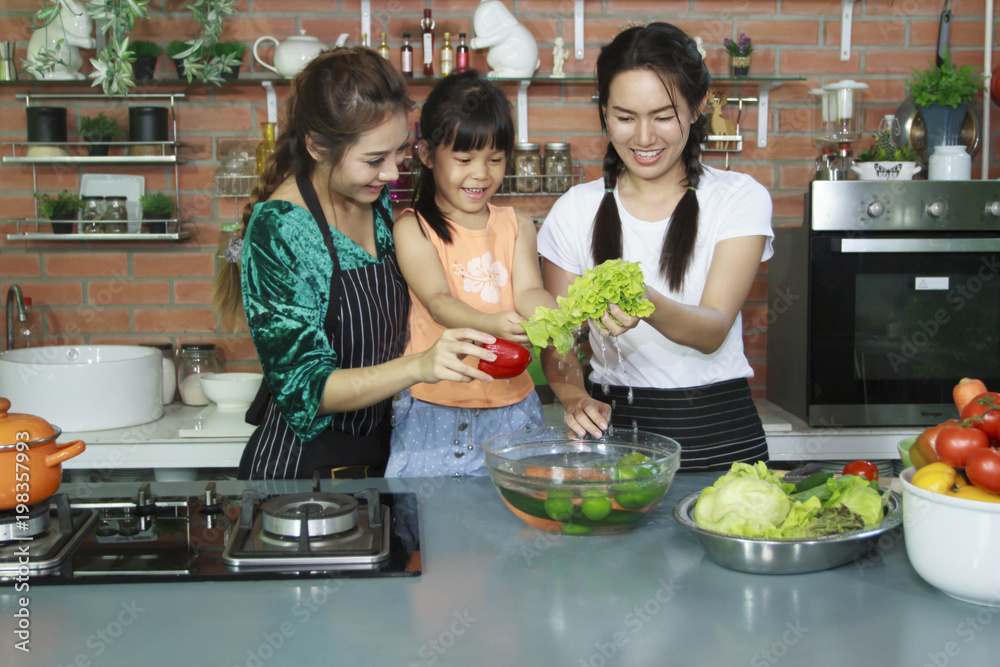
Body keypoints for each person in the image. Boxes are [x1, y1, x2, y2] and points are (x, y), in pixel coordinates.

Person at [213, 49, 498, 481]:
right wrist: (420, 366)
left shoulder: (373, 196)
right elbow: (307, 387)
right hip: (303, 475)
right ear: (317, 146)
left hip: (381, 456)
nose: (391, 173)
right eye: (373, 160)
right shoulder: (281, 230)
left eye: (398, 152)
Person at [537, 23, 774, 472]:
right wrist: (573, 396)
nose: (643, 138)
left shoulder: (739, 198)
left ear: (698, 107)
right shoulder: (574, 210)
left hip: (719, 434)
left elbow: (711, 331)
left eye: (663, 116)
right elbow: (558, 337)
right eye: (624, 118)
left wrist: (644, 300)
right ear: (603, 111)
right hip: (614, 433)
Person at [386, 71, 556, 477]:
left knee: (512, 529)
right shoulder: (413, 228)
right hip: (436, 407)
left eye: (495, 159)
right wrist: (491, 324)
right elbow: (439, 301)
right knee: (431, 532)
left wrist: (554, 316)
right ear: (427, 155)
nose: (481, 174)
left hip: (514, 406)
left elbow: (530, 290)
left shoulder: (517, 224)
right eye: (464, 160)